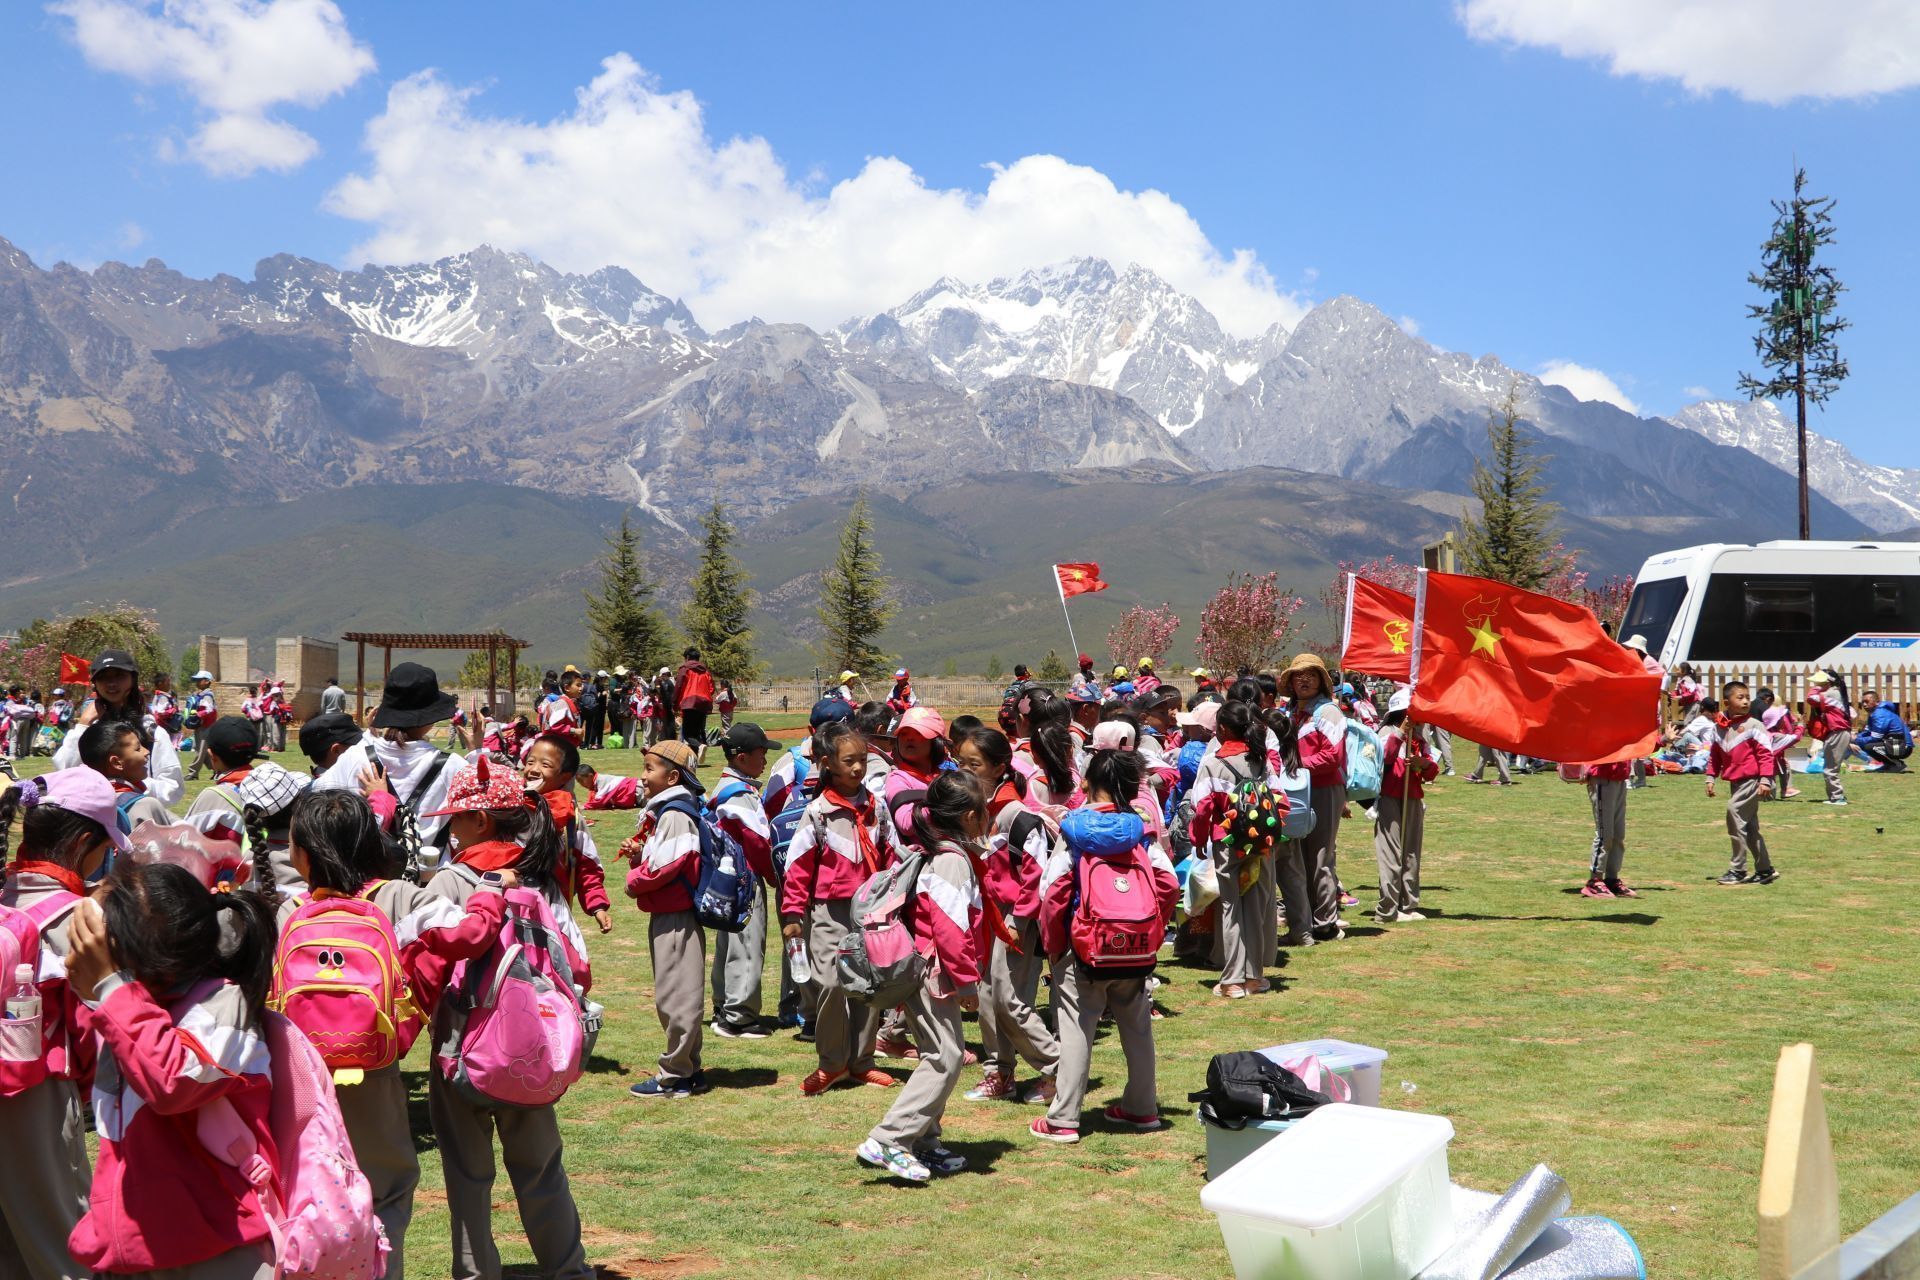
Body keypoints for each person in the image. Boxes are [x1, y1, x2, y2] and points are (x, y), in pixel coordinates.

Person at [280, 788, 511, 1277]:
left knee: (302, 1189)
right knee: (385, 1189)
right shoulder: (399, 897)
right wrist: (490, 892)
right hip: (372, 1067)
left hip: (297, 1077)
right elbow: (469, 935)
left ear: (305, 852)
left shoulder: (287, 910)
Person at [62, 863, 284, 1278]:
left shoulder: (224, 1006)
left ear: (140, 959)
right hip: (140, 1249)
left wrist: (110, 988)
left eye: (96, 942)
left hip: (219, 1253)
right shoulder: (129, 1009)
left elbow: (172, 1082)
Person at [420, 756, 593, 1279]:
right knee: (542, 1169)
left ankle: (476, 1273)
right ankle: (569, 1269)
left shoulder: (451, 883)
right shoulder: (538, 879)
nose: (449, 828)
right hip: (532, 1051)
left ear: (478, 821)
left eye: (455, 818)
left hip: (461, 1052)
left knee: (468, 1176)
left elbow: (428, 968)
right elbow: (576, 966)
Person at [0, 768, 125, 1280]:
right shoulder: (77, 918)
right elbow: (97, 1019)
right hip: (34, 1091)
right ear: (83, 844)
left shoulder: (6, 892)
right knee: (62, 1242)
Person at [1030, 744, 1177, 1144]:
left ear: (1087, 783)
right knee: (1138, 1026)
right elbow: (1168, 883)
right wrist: (1150, 928)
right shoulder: (1141, 829)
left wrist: (1055, 945)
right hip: (1136, 947)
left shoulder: (1073, 829)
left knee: (1077, 1030)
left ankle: (1063, 1118)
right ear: (1132, 788)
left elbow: (1054, 890)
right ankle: (1142, 1108)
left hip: (1085, 947)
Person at [856, 773, 985, 1182]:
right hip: (935, 973)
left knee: (940, 1053)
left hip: (922, 969)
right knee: (944, 1057)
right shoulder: (949, 859)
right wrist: (967, 983)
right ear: (969, 816)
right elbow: (949, 927)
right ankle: (890, 1139)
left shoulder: (931, 850)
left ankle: (924, 1140)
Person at [780, 721, 901, 1095]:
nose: (858, 768)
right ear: (828, 763)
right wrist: (792, 914)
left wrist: (894, 898)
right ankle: (832, 1062)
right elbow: (798, 866)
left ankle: (863, 1061)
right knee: (831, 982)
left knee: (868, 985)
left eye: (863, 760)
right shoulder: (817, 812)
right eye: (849, 761)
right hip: (828, 910)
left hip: (870, 910)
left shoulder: (876, 807)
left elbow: (891, 854)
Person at [954, 726, 1059, 1105]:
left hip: (1015, 919)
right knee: (984, 996)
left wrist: (1018, 920)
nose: (965, 770)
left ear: (999, 768)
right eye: (960, 762)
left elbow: (1035, 874)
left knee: (1009, 999)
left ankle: (1058, 1068)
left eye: (974, 764)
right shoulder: (973, 813)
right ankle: (999, 1072)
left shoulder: (1018, 816)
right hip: (983, 916)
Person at [620, 741, 712, 1098]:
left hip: (675, 915)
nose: (642, 776)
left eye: (649, 769)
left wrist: (633, 880)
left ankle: (674, 1076)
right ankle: (689, 1070)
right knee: (677, 993)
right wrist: (640, 854)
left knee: (676, 997)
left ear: (673, 776)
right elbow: (668, 857)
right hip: (669, 912)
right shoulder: (670, 810)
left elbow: (674, 863)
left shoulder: (675, 813)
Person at [1189, 703, 1278, 999]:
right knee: (1254, 907)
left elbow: (1201, 808)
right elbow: (1279, 799)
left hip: (1227, 842)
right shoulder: (1261, 760)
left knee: (1231, 909)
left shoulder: (1214, 763)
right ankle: (1254, 977)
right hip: (1259, 845)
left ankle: (1232, 981)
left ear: (1223, 730)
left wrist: (1198, 839)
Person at [707, 723, 776, 1039]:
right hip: (744, 878)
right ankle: (738, 1017)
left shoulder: (725, 786)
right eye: (761, 753)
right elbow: (757, 842)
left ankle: (724, 1007)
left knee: (729, 944)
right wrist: (776, 877)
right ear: (743, 757)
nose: (765, 760)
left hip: (727, 877)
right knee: (746, 946)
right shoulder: (740, 794)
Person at [53, 650, 184, 807]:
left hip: (136, 822)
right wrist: (83, 724)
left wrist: (128, 787)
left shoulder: (151, 731)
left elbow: (173, 787)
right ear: (95, 684)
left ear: (133, 680)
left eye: (119, 676)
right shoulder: (89, 728)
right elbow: (65, 769)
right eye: (103, 678)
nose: (111, 683)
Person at [1282, 653, 1349, 942]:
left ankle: (1325, 922)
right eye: (1298, 675)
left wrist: (1297, 765)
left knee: (1320, 856)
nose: (1304, 679)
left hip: (1323, 790)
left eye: (1310, 674)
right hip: (1297, 790)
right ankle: (1305, 920)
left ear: (1321, 680)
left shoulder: (1329, 713)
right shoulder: (1291, 714)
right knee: (1298, 857)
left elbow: (1333, 756)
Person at [1707, 680, 1778, 886]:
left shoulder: (1755, 726)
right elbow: (1715, 756)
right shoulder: (1719, 727)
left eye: (1747, 697)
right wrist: (1710, 777)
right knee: (1750, 828)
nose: (1746, 701)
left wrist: (1765, 779)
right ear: (1726, 702)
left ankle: (1738, 869)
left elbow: (1766, 755)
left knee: (1734, 815)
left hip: (1752, 780)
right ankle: (1765, 869)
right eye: (1740, 697)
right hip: (1735, 783)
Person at [1375, 691, 1438, 920]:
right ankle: (1388, 909)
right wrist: (1402, 731)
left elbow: (1432, 772)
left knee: (1411, 852)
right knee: (1390, 853)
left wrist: (1424, 764)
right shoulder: (1386, 732)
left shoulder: (1421, 738)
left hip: (1413, 797)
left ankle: (1408, 904)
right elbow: (1386, 757)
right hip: (1390, 797)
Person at [76, 718, 176, 833]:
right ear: (116, 762)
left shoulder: (81, 803)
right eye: (138, 748)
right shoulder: (145, 806)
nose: (146, 751)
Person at [1581, 752, 1636, 898]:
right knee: (1605, 833)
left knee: (1618, 834)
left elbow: (1638, 744)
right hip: (1602, 776)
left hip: (1619, 777)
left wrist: (1662, 740)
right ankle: (1594, 880)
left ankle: (1611, 879)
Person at [1806, 670, 1851, 806]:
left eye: (1818, 681)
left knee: (1830, 768)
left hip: (1837, 733)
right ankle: (1835, 797)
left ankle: (1837, 797)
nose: (1815, 684)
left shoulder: (1831, 693)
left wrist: (1817, 688)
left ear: (1827, 682)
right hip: (1839, 733)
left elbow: (1811, 698)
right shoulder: (1837, 692)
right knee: (1830, 766)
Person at [1853, 690, 1913, 773]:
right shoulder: (1874, 714)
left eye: (1867, 701)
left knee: (1869, 747)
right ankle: (1888, 765)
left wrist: (1856, 740)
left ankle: (1896, 765)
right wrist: (1855, 737)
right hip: (1894, 743)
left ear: (1877, 702)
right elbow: (1867, 732)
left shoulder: (1879, 714)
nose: (1864, 705)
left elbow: (1876, 737)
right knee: (1864, 743)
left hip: (1903, 747)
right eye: (1863, 702)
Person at [674, 649, 717, 765]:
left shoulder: (685, 669)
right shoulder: (705, 671)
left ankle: (699, 746)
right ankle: (694, 760)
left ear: (687, 657)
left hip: (689, 702)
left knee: (688, 734)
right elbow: (711, 688)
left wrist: (674, 703)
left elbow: (678, 686)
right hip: (703, 703)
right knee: (698, 731)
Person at [183, 670, 219, 779]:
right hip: (200, 726)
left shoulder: (207, 695)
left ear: (207, 681)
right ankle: (217, 770)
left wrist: (197, 715)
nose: (197, 682)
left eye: (200, 680)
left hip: (207, 726)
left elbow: (209, 710)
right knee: (202, 751)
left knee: (201, 751)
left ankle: (193, 773)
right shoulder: (201, 695)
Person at [540, 670, 584, 744]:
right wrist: (574, 731)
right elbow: (555, 725)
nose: (581, 688)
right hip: (558, 747)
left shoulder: (571, 703)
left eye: (581, 685)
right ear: (567, 687)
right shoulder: (562, 704)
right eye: (578, 685)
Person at [580, 673, 606, 750]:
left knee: (580, 726)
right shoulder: (591, 686)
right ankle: (587, 744)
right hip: (590, 709)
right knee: (589, 727)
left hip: (581, 708)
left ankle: (579, 743)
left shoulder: (580, 686)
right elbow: (595, 697)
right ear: (588, 678)